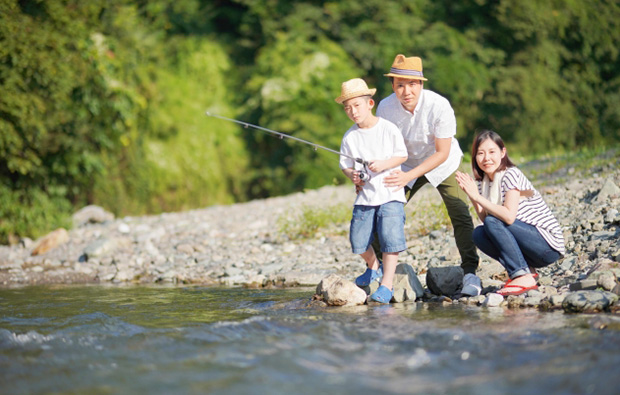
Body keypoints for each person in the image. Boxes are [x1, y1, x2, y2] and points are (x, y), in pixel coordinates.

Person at [377, 54, 481, 296]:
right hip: (403, 165)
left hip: (441, 163)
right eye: (400, 85)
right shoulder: (385, 107)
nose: (406, 91)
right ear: (393, 86)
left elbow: (442, 152)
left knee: (459, 211)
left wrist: (408, 175)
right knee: (382, 210)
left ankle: (470, 273)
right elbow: (381, 147)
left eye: (412, 84)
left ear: (421, 84)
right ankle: (379, 270)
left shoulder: (439, 105)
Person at [455, 130, 565, 296]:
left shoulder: (510, 174)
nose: (486, 158)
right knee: (479, 233)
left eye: (492, 152)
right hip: (529, 247)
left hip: (547, 245)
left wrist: (477, 196)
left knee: (493, 221)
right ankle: (526, 270)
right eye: (481, 153)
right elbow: (486, 220)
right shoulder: (484, 182)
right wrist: (473, 196)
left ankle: (522, 275)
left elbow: (508, 216)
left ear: (503, 152)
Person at [336, 78, 408, 303]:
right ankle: (373, 266)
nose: (353, 112)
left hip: (391, 193)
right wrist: (353, 176)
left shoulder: (388, 128)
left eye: (357, 106)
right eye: (348, 108)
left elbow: (402, 155)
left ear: (370, 104)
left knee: (390, 238)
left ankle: (386, 286)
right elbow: (345, 166)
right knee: (357, 241)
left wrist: (385, 164)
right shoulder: (350, 136)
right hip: (365, 197)